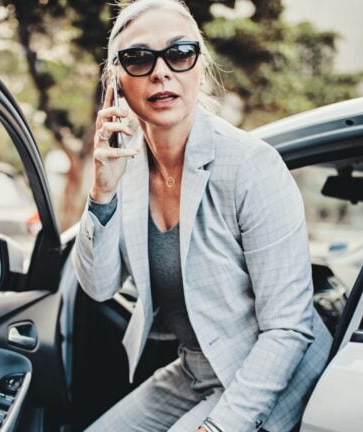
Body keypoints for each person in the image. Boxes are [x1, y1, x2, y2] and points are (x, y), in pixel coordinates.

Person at [72, 1, 332, 431]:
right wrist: (102, 192)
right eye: (138, 58)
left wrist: (217, 427)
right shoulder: (125, 168)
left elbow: (288, 328)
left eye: (179, 53)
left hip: (272, 378)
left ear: (200, 66)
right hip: (195, 369)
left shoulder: (251, 165)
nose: (160, 72)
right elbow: (99, 287)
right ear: (115, 80)